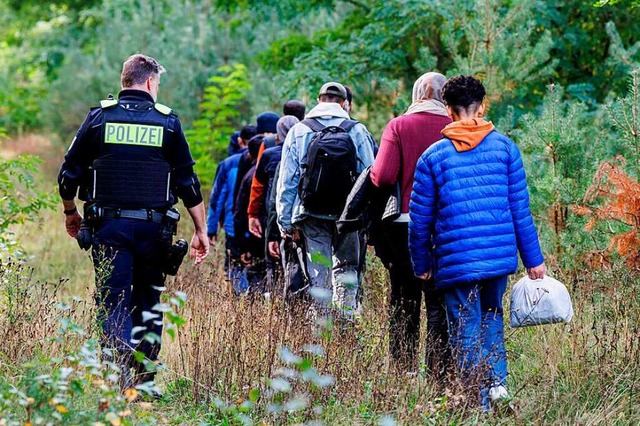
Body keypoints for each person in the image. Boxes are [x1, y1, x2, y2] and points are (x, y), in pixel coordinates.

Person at [58, 54, 209, 394]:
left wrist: (71, 212)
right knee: (148, 300)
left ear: (125, 79)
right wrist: (201, 230)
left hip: (108, 229)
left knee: (113, 301)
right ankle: (144, 383)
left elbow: (68, 175)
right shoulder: (168, 123)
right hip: (155, 231)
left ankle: (116, 381)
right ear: (151, 82)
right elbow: (187, 181)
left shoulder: (99, 119)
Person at [408, 75, 546, 408]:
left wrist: (422, 264)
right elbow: (519, 211)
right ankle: (497, 386)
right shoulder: (505, 148)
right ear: (482, 106)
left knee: (464, 327)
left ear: (448, 111)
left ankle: (476, 400)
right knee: (491, 318)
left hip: (457, 262)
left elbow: (419, 221)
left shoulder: (432, 157)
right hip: (498, 259)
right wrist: (533, 260)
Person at [370, 72, 452, 374]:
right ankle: (438, 371)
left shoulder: (398, 126)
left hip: (402, 224)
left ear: (417, 94)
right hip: (445, 226)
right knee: (438, 300)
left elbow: (384, 175)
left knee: (404, 296)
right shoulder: (455, 128)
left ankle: (403, 367)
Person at [276, 82, 376, 317]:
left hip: (311, 213)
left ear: (318, 100)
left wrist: (285, 222)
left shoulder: (299, 130)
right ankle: (345, 321)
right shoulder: (357, 130)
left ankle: (321, 328)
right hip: (348, 216)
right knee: (347, 267)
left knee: (319, 273)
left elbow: (288, 180)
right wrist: (368, 217)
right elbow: (370, 175)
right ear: (344, 103)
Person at [207, 125, 258, 275]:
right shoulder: (264, 159)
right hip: (258, 226)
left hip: (233, 226)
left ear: (240, 141)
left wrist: (211, 228)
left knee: (234, 266)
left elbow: (217, 198)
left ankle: (240, 295)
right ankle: (254, 296)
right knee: (256, 268)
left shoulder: (228, 163)